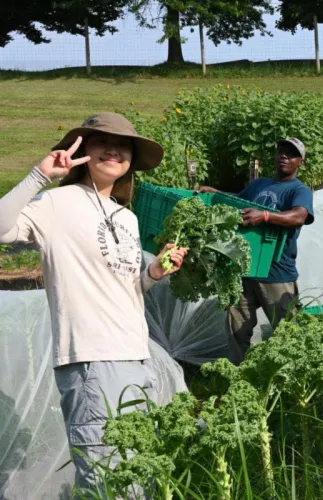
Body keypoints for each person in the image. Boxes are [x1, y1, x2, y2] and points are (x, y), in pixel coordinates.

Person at [0, 112, 188, 493]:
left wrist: (152, 275)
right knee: (107, 478)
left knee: (138, 474)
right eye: (104, 142)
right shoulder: (57, 203)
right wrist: (40, 175)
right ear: (84, 149)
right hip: (92, 360)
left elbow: (125, 290)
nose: (115, 150)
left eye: (125, 146)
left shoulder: (126, 217)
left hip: (137, 357)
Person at [197, 138, 314, 359]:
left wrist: (266, 216)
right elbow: (237, 204)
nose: (284, 156)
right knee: (237, 327)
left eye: (291, 154)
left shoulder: (299, 190)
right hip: (245, 267)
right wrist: (215, 192)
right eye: (281, 151)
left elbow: (299, 216)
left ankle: (292, 380)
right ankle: (237, 375)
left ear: (301, 162)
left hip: (276, 272)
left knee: (288, 330)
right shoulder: (259, 185)